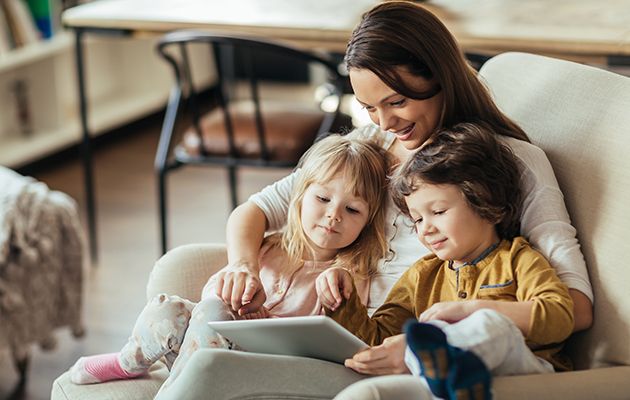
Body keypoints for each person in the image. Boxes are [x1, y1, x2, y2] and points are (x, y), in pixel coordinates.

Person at [138, 1, 593, 398]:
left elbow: (578, 307)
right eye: (369, 106)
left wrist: (427, 345)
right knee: (203, 329)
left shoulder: (513, 161)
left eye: (396, 102)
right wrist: (243, 264)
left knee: (212, 366)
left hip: (400, 353)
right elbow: (256, 210)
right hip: (338, 332)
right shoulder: (368, 147)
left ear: (439, 76)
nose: (384, 122)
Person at [66, 135, 390, 393]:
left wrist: (263, 322)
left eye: (352, 210)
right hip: (209, 345)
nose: (334, 215)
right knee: (172, 309)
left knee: (213, 314)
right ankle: (128, 362)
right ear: (300, 198)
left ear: (367, 222)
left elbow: (325, 341)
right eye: (323, 199)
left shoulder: (347, 276)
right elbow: (213, 296)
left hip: (259, 369)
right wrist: (235, 293)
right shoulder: (267, 247)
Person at [320, 123, 574, 400]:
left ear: (485, 202)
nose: (425, 229)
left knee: (490, 323)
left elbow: (560, 316)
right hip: (439, 385)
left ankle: (447, 366)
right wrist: (344, 302)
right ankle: (448, 376)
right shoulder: (422, 274)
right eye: (417, 220)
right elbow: (378, 338)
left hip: (525, 373)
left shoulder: (518, 259)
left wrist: (471, 309)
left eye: (438, 211)